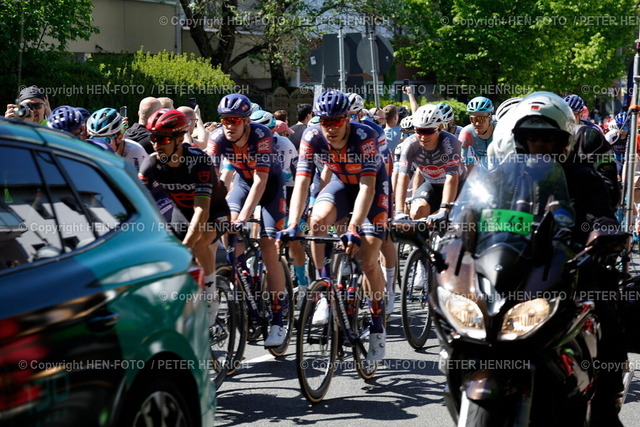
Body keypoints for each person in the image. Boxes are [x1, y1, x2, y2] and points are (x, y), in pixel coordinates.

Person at [498, 91, 626, 426]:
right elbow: (479, 214)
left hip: (571, 269)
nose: (540, 144)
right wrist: (455, 232)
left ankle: (606, 398)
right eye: (532, 138)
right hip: (516, 270)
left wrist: (600, 232)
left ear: (563, 141)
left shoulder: (582, 177)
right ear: (521, 141)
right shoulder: (506, 177)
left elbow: (602, 214)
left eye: (548, 138)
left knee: (605, 303)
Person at [278, 89, 390, 360]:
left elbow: (367, 187)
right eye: (324, 121)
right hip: (340, 185)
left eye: (336, 121)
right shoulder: (312, 136)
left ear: (347, 119)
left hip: (372, 189)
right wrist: (292, 224)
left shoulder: (365, 136)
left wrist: (353, 227)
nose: (330, 128)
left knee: (368, 260)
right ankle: (325, 287)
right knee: (316, 221)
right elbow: (302, 183)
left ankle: (377, 324)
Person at [207, 94, 289, 348]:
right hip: (243, 183)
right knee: (226, 229)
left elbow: (261, 181)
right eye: (224, 120)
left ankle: (279, 319)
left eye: (234, 120)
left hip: (270, 187)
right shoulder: (217, 138)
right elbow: (210, 178)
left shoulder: (262, 135)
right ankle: (243, 274)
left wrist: (243, 218)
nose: (228, 125)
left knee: (269, 248)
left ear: (245, 121)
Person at [139, 108, 229, 331]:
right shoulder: (151, 164)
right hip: (181, 213)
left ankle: (211, 296)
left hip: (214, 211)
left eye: (163, 139)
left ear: (179, 139)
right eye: (153, 138)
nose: (156, 144)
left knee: (197, 243)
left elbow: (202, 210)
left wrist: (185, 248)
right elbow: (139, 207)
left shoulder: (198, 161)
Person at [395, 104, 463, 222]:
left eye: (428, 131)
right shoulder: (410, 144)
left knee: (457, 218)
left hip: (458, 184)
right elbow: (403, 177)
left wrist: (444, 209)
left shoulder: (450, 142)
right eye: (419, 131)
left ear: (439, 128)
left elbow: (451, 178)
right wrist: (399, 212)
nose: (423, 136)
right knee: (417, 212)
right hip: (432, 185)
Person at [459, 96, 495, 173]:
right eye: (473, 119)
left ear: (490, 118)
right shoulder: (466, 132)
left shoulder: (500, 130)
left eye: (481, 119)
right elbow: (461, 160)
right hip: (482, 172)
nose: (477, 123)